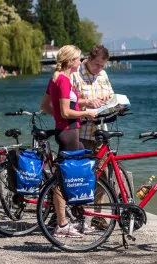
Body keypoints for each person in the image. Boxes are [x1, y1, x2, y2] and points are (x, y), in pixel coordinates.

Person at [40, 45, 97, 237]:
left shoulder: (57, 78)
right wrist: (86, 113)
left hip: (66, 130)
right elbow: (65, 111)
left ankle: (78, 219)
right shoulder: (63, 80)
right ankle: (62, 223)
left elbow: (46, 105)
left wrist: (85, 103)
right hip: (69, 131)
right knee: (65, 179)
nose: (81, 62)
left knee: (75, 173)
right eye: (79, 59)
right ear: (71, 61)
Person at [71, 45, 116, 230]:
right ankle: (78, 213)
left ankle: (98, 215)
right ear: (88, 58)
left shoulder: (103, 75)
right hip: (80, 132)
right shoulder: (75, 74)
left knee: (103, 175)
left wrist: (110, 101)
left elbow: (111, 94)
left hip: (100, 132)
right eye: (96, 64)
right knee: (79, 174)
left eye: (102, 65)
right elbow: (67, 102)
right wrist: (87, 103)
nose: (99, 68)